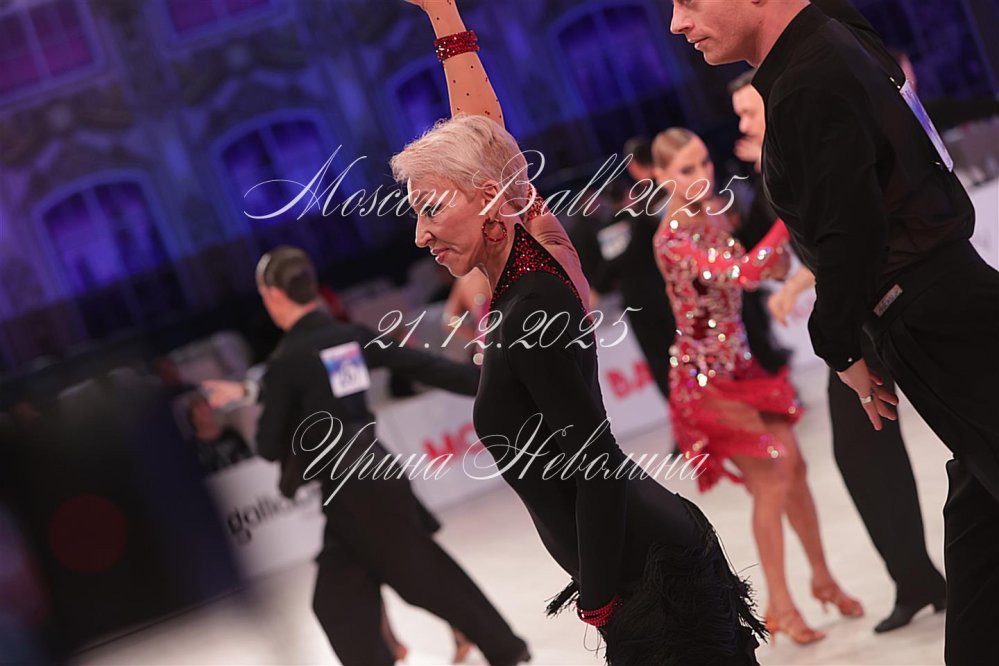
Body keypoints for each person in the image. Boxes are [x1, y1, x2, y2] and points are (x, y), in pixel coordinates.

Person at [393, 2, 766, 663]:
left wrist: (598, 599)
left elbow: (594, 463)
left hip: (647, 580)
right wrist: (443, 18)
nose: (420, 235)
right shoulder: (539, 258)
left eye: (430, 210)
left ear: (490, 198)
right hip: (641, 562)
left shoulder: (533, 302)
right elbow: (485, 138)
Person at [669, 1, 999, 662]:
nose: (677, 24)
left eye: (689, 1)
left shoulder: (810, 75)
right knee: (977, 514)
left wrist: (840, 341)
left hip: (929, 311)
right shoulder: (832, 36)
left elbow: (852, 228)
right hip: (937, 299)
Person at [203, 247, 528, 666]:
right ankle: (496, 647)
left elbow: (267, 445)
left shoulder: (286, 362)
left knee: (424, 579)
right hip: (369, 478)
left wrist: (269, 403)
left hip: (356, 490)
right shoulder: (347, 338)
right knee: (337, 601)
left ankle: (507, 648)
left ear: (272, 295)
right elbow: (427, 366)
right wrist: (503, 380)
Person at [732, 72, 947, 633]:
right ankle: (916, 580)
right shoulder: (777, 162)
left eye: (749, 112)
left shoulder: (804, 150)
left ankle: (923, 579)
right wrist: (792, 282)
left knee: (938, 436)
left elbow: (845, 235)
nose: (742, 125)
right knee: (864, 455)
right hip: (857, 320)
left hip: (885, 306)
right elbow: (810, 246)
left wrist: (796, 285)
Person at [650, 127, 862, 645]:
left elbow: (764, 269)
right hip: (706, 381)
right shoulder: (671, 240)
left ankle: (823, 579)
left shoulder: (714, 216)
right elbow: (742, 273)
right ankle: (779, 605)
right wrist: (790, 214)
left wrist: (782, 263)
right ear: (661, 177)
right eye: (686, 169)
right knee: (771, 479)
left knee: (796, 468)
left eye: (704, 163)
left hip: (743, 369)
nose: (702, 176)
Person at [591, 137, 676, 403]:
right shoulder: (669, 192)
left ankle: (687, 416)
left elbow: (616, 263)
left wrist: (599, 287)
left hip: (646, 298)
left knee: (662, 360)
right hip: (667, 289)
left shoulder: (637, 211)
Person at [185, 395, 253, 475]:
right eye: (199, 409)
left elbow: (250, 458)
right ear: (193, 419)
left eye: (206, 407)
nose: (205, 410)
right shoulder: (193, 448)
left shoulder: (231, 435)